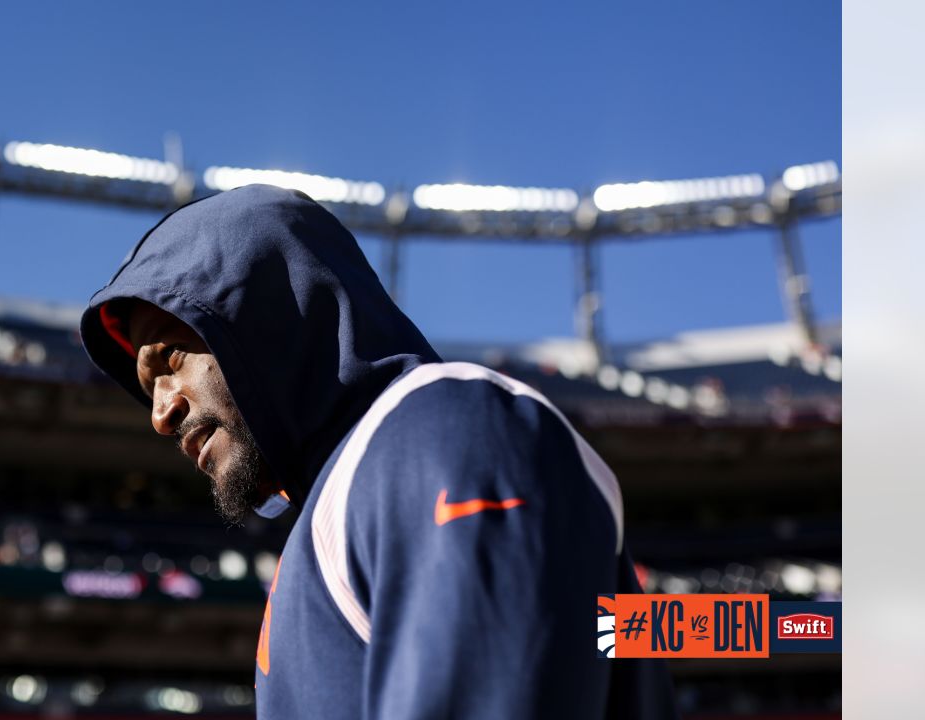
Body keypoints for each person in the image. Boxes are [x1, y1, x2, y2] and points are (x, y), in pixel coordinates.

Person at [80, 184, 676, 719]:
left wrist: (772, 628)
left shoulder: (440, 426)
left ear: (262, 317)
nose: (160, 414)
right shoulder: (339, 502)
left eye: (170, 360)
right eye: (147, 389)